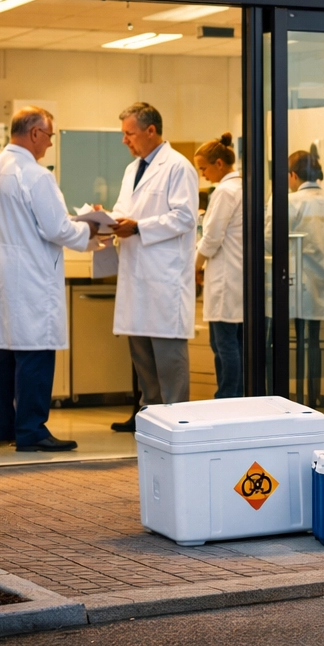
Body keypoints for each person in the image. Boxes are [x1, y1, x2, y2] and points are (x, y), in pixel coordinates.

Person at [0, 106, 97, 452]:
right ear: (36, 134)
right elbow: (57, 227)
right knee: (35, 354)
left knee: (4, 352)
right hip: (32, 278)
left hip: (0, 276)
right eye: (50, 136)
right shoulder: (36, 175)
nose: (49, 144)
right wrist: (93, 230)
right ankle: (31, 431)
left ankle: (2, 428)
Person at [108, 102, 199, 432]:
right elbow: (125, 208)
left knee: (167, 354)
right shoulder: (133, 169)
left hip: (164, 276)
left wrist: (140, 226)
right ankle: (148, 414)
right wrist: (110, 221)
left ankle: (176, 420)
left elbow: (185, 216)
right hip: (136, 270)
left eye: (129, 134)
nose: (124, 141)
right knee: (142, 353)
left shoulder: (178, 167)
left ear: (151, 131)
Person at [278, 150, 324, 409]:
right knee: (314, 340)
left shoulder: (290, 202)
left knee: (279, 337)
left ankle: (286, 402)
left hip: (299, 290)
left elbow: (268, 242)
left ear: (293, 175)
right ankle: (313, 400)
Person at [195, 134, 243, 399]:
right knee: (236, 343)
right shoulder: (246, 187)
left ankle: (226, 398)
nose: (203, 174)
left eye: (204, 168)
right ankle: (238, 395)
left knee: (223, 344)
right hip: (238, 276)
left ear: (220, 164)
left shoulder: (225, 191)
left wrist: (195, 265)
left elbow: (211, 237)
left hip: (225, 277)